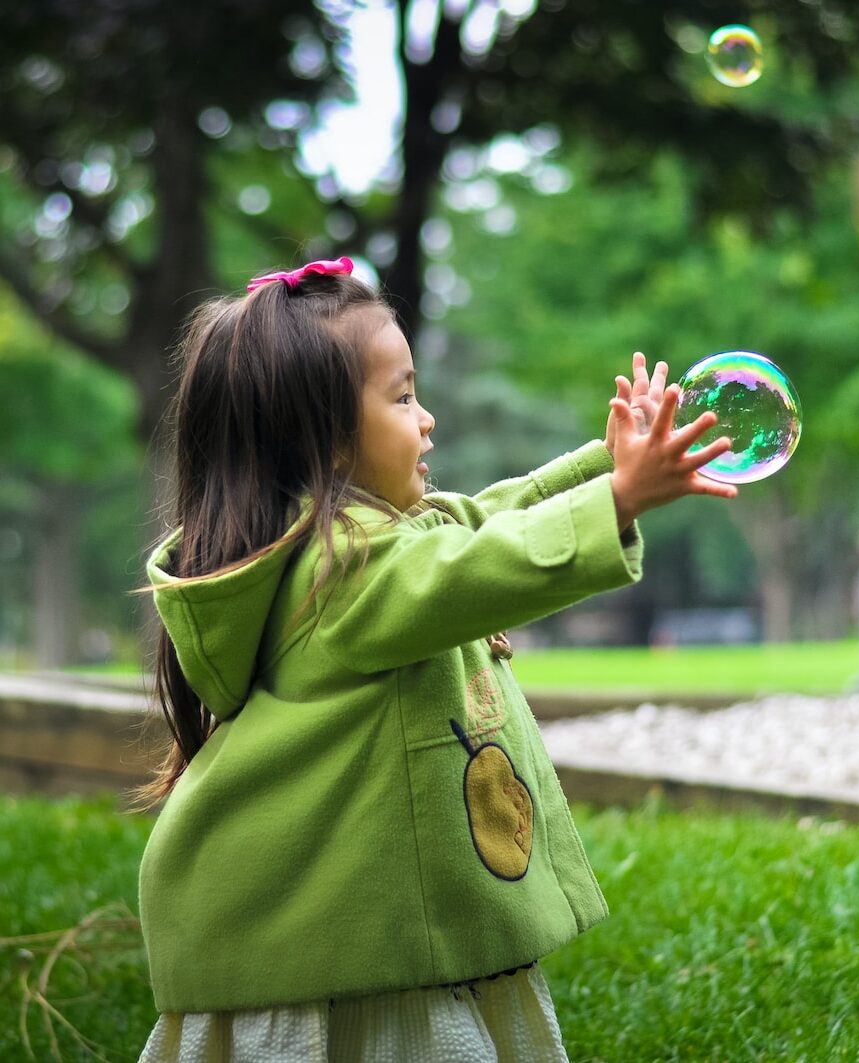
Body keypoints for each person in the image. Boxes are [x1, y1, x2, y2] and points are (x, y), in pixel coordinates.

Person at [133, 256, 737, 1063]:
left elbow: (490, 514)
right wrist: (619, 499)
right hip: (349, 965)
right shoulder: (342, 573)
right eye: (403, 395)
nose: (428, 420)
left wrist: (605, 463)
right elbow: (481, 565)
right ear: (330, 441)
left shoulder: (368, 541)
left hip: (377, 939)